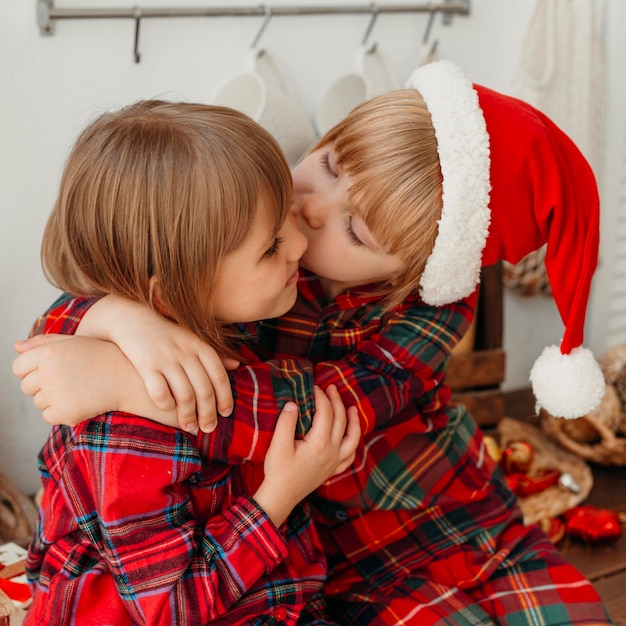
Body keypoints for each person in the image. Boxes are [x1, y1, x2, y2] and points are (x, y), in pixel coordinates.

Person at [15, 61, 613, 625]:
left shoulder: (429, 303)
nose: (308, 210)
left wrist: (128, 381)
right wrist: (121, 321)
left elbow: (318, 412)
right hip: (340, 550)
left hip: (445, 504)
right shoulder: (244, 254)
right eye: (327, 163)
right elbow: (67, 338)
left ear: (420, 267)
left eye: (355, 229)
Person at [14, 100, 361, 626]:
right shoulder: (129, 438)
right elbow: (172, 609)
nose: (300, 244)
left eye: (286, 216)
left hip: (276, 589)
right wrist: (277, 498)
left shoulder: (227, 309)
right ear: (173, 295)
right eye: (270, 247)